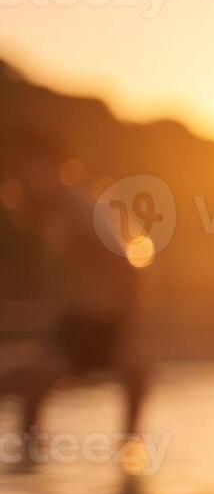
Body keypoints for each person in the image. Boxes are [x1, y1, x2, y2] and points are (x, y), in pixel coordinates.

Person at [1, 130, 150, 444]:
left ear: (55, 166)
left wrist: (130, 334)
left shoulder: (83, 209)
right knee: (32, 384)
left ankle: (129, 460)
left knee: (135, 374)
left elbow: (126, 268)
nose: (22, 179)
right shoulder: (46, 211)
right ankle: (31, 463)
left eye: (28, 170)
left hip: (106, 326)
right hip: (73, 325)